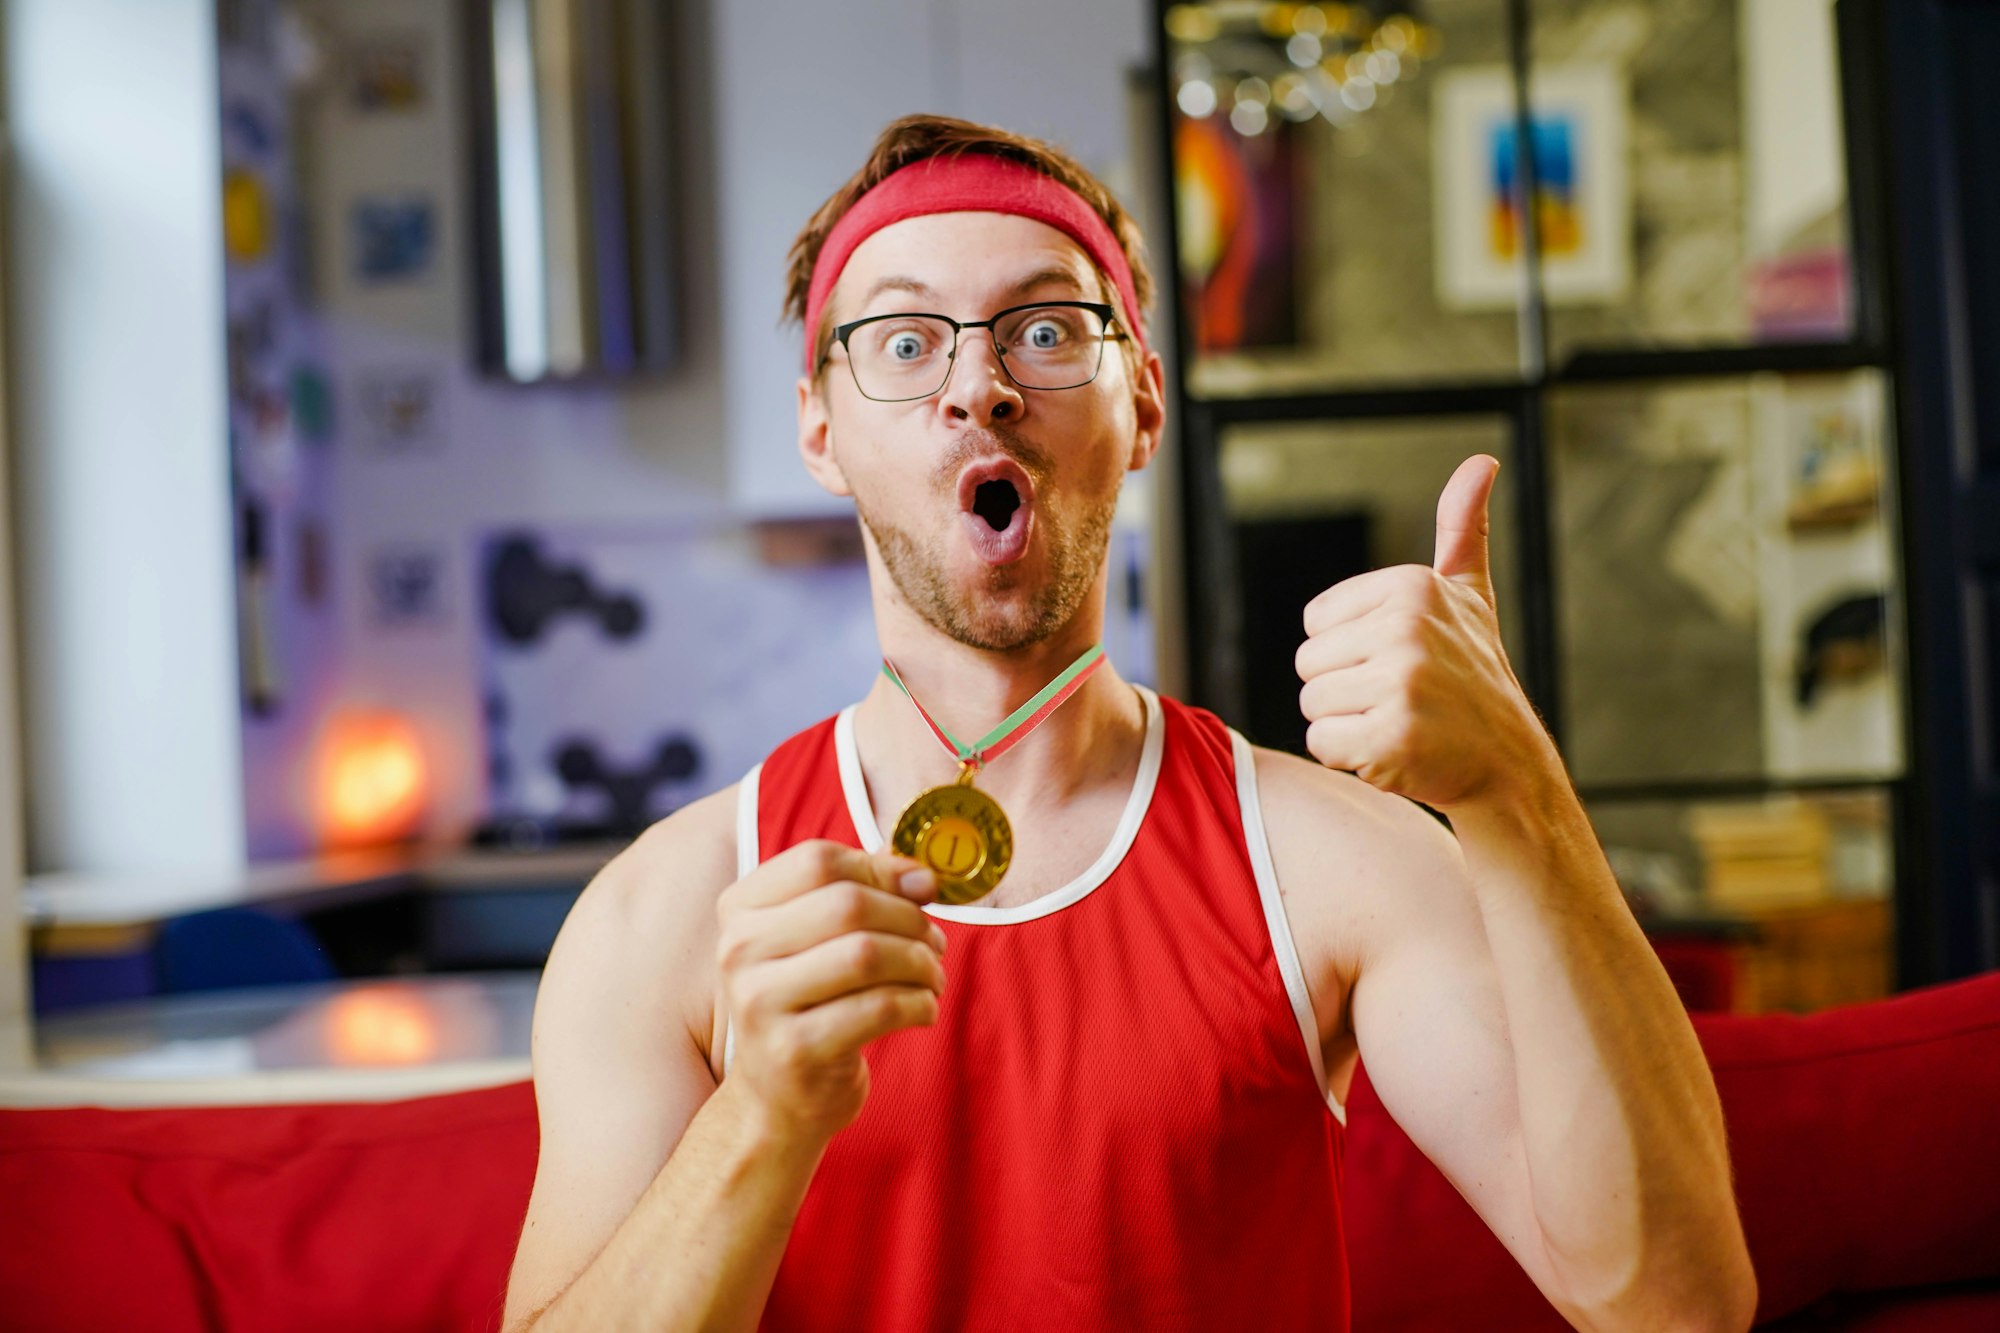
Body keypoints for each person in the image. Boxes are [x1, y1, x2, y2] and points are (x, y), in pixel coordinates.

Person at [502, 115, 1757, 1332]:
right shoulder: (660, 915)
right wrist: (757, 1121)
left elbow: (1675, 1304)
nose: (977, 387)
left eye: (1044, 330)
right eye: (901, 343)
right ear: (819, 429)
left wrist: (1514, 791)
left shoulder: (1323, 863)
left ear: (1143, 403)